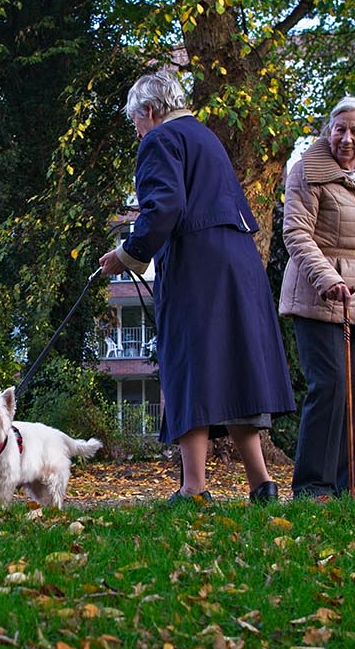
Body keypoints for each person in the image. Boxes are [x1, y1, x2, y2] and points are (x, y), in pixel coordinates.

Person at [99, 70, 295, 505]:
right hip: (239, 263)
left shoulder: (160, 139)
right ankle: (262, 483)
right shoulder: (206, 137)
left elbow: (164, 205)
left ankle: (193, 489)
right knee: (233, 367)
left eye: (136, 125)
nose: (138, 135)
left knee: (188, 365)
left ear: (149, 112)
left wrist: (128, 254)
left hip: (198, 265)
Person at [278, 96, 355, 500]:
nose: (346, 138)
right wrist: (326, 277)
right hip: (318, 294)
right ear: (328, 131)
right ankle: (313, 485)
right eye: (339, 128)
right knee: (329, 387)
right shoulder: (306, 172)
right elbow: (296, 234)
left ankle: (346, 485)